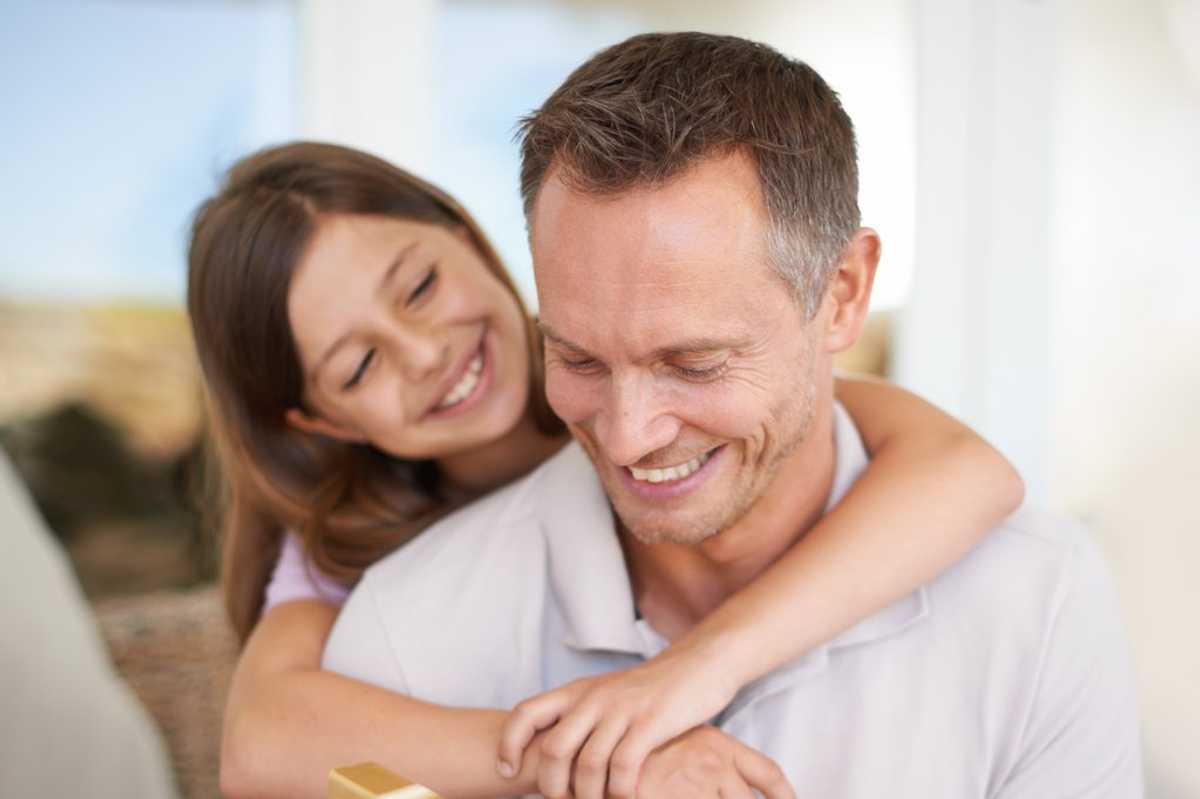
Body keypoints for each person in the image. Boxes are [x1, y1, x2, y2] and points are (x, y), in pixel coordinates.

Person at [322, 31, 1144, 799]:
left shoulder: (1037, 602)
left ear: (842, 294)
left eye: (694, 363)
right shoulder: (406, 638)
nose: (626, 433)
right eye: (577, 358)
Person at [189, 141, 1021, 799]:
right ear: (319, 419)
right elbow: (262, 744)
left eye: (419, 287)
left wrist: (686, 677)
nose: (426, 350)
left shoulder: (667, 382)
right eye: (360, 365)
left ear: (464, 232)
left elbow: (968, 471)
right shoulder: (345, 545)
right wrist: (598, 751)